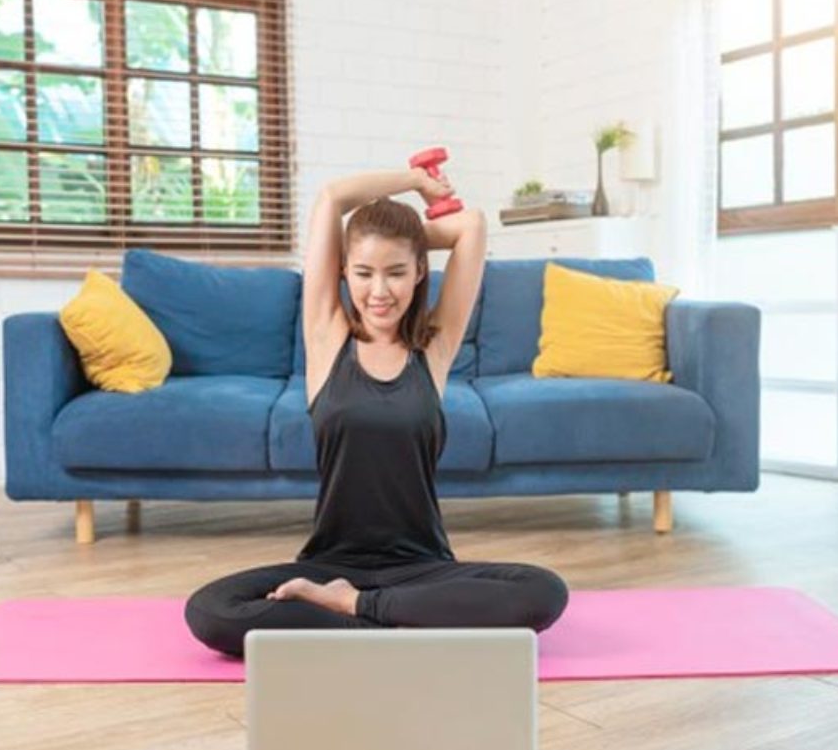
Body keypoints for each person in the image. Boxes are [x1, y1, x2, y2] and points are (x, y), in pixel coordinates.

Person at [184, 167, 570, 658]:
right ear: (343, 271)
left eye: (396, 271)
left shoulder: (433, 346)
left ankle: (357, 610)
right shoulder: (327, 338)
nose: (379, 291)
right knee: (211, 609)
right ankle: (400, 620)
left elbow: (470, 227)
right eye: (364, 272)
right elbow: (332, 196)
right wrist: (413, 180)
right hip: (329, 564)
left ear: (419, 273)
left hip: (422, 566)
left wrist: (402, 233)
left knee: (543, 592)